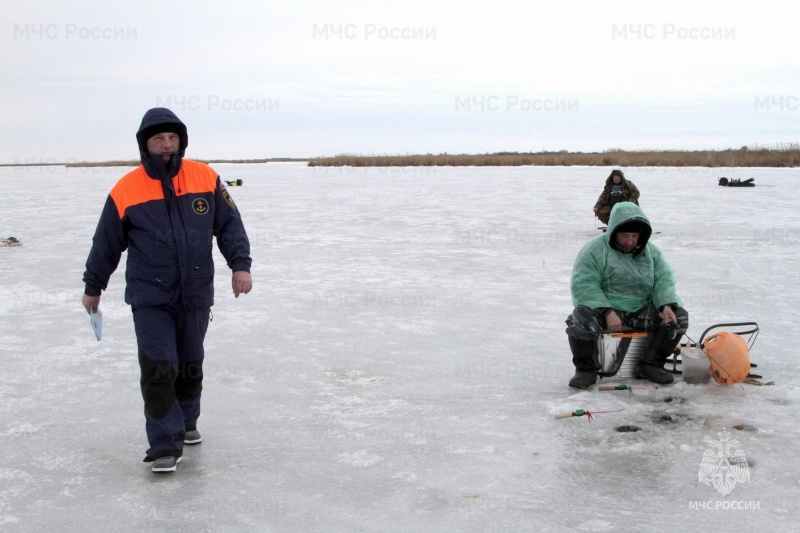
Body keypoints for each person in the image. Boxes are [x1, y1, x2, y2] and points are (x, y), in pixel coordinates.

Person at [81, 108, 253, 473]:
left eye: (172, 138)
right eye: (158, 139)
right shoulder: (126, 188)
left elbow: (230, 225)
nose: (166, 145)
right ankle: (163, 444)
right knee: (159, 366)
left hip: (195, 292)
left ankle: (187, 420)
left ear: (181, 141)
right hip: (150, 296)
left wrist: (240, 265)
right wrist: (93, 286)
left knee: (190, 362)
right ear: (145, 143)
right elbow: (106, 243)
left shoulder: (205, 177)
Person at [565, 202, 688, 389]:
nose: (630, 241)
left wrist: (665, 305)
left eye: (634, 236)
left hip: (640, 309)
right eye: (624, 236)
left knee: (678, 317)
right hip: (607, 307)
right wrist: (607, 311)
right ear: (613, 232)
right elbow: (584, 284)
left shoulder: (651, 252)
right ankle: (586, 370)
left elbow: (664, 280)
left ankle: (651, 365)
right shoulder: (594, 250)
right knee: (579, 319)